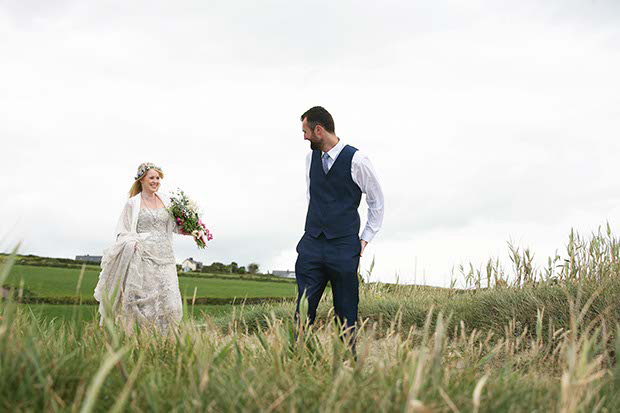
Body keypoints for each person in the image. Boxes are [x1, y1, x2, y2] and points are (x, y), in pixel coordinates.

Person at [295, 106, 384, 351]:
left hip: (344, 247)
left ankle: (347, 366)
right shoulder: (309, 160)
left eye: (305, 131)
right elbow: (312, 196)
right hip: (312, 244)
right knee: (303, 310)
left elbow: (377, 201)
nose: (303, 137)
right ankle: (297, 363)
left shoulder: (357, 160)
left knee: (346, 312)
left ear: (319, 130)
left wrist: (364, 239)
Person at [94, 162, 196, 333]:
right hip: (144, 258)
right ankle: (145, 340)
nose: (155, 181)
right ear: (142, 179)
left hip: (166, 258)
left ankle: (168, 339)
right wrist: (131, 243)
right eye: (152, 178)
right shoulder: (132, 204)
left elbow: (176, 226)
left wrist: (194, 231)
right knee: (147, 305)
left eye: (158, 178)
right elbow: (122, 231)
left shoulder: (167, 201)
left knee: (171, 304)